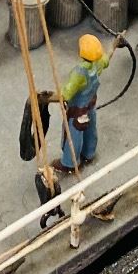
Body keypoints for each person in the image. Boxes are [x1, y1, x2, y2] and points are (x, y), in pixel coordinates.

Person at [57, 32, 120, 172]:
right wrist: (115, 44)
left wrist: (48, 97)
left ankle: (70, 163)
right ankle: (89, 153)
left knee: (74, 135)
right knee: (90, 129)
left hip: (77, 110)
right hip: (90, 105)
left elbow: (66, 94)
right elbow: (108, 57)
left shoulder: (79, 73)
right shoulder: (98, 64)